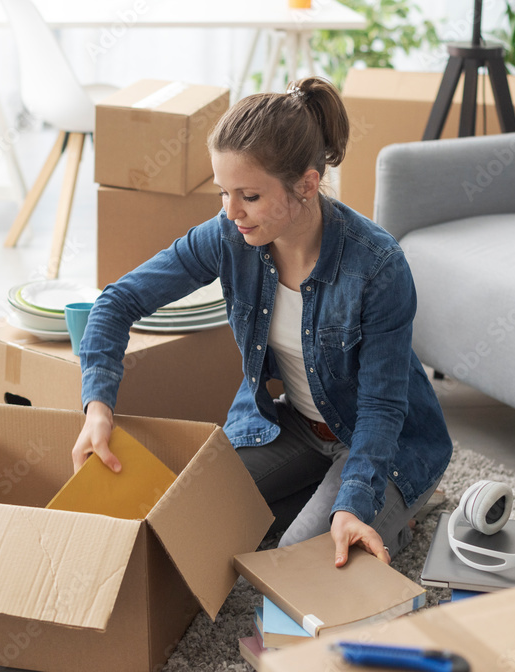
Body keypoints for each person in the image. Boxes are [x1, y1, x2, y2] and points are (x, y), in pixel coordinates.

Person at [72, 76, 452, 567]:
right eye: (223, 193)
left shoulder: (378, 266)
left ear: (307, 186)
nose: (231, 213)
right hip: (293, 427)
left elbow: (381, 408)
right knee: (185, 520)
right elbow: (116, 302)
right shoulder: (229, 235)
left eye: (248, 196)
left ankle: (387, 511)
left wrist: (355, 502)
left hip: (382, 442)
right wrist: (97, 408)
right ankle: (334, 503)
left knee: (301, 563)